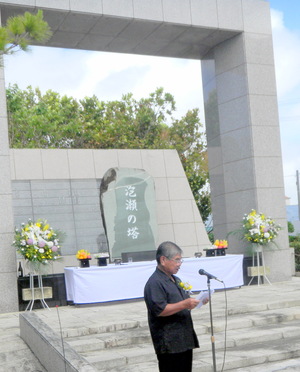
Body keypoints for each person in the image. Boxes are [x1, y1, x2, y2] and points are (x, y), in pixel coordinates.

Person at [144, 241, 208, 372]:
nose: (179, 264)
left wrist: (198, 302)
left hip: (184, 338)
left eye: (181, 260)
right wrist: (185, 304)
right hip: (169, 342)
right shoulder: (155, 282)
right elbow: (160, 310)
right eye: (177, 260)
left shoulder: (175, 279)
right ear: (163, 260)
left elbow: (183, 304)